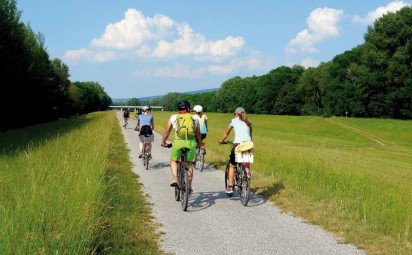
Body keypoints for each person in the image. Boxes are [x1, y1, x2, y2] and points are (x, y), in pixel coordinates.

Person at [161, 100, 204, 190]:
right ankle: (189, 186)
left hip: (178, 142)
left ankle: (175, 178)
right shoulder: (194, 118)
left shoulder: (174, 117)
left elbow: (167, 132)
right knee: (189, 164)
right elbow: (198, 134)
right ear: (189, 109)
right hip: (191, 143)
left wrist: (163, 142)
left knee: (173, 160)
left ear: (178, 109)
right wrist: (200, 144)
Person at [219, 107, 252, 195]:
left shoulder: (233, 121)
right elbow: (250, 134)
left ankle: (230, 187)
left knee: (232, 165)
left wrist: (221, 141)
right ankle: (246, 172)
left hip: (237, 145)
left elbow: (226, 133)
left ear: (236, 114)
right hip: (248, 144)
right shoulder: (249, 122)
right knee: (246, 162)